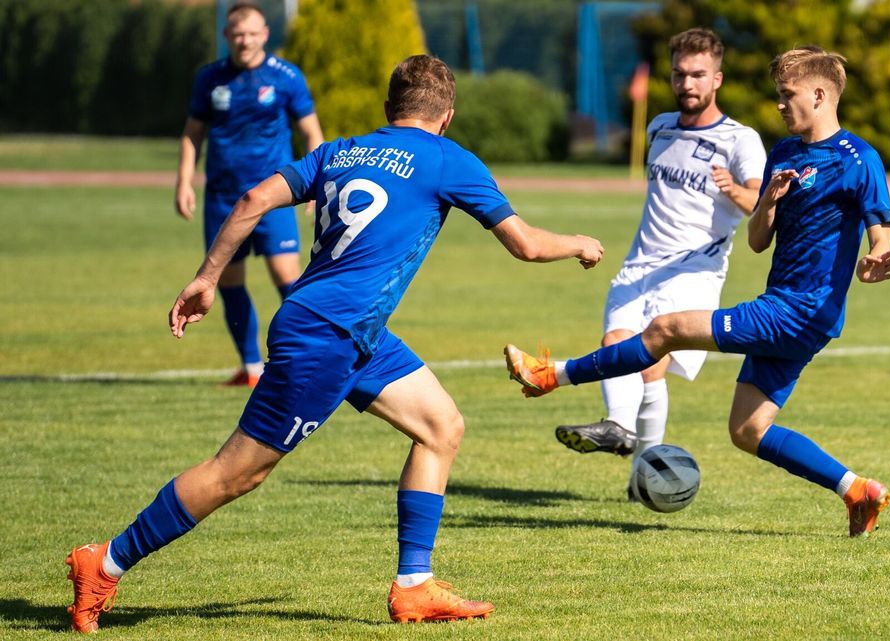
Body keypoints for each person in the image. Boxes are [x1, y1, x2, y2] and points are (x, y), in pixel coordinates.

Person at [66, 54, 605, 633]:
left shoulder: (339, 152)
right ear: (447, 115)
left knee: (441, 426)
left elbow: (250, 201)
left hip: (349, 329)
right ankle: (107, 561)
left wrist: (205, 279)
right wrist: (578, 241)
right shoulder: (450, 160)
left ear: (387, 110)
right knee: (236, 473)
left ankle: (414, 587)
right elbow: (523, 244)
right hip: (326, 338)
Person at [506, 45, 890, 537]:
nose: (779, 105)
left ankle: (552, 376)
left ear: (819, 94)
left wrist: (874, 260)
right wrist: (768, 205)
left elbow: (879, 234)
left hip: (798, 310)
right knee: (747, 431)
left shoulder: (858, 159)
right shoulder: (784, 154)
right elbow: (758, 242)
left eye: (787, 95)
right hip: (788, 308)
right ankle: (856, 490)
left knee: (666, 329)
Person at [552, 29, 766, 496]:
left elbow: (764, 204)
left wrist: (737, 191)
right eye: (679, 73)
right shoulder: (659, 128)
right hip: (638, 266)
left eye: (698, 75)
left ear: (718, 79)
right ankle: (629, 450)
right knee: (616, 344)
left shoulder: (740, 140)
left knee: (650, 362)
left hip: (694, 272)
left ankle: (628, 446)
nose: (687, 83)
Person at [174, 1, 324, 388]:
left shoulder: (286, 76)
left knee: (286, 275)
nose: (245, 41)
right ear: (227, 36)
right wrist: (184, 181)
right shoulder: (210, 79)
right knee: (227, 282)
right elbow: (193, 133)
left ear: (265, 35)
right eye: (238, 34)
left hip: (274, 195)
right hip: (223, 198)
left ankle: (309, 355)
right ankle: (252, 369)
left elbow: (311, 132)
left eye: (253, 33)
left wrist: (315, 185)